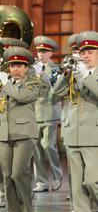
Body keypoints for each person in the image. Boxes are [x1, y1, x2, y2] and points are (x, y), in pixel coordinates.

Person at [0, 47, 44, 212]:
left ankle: (26, 210)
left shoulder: (33, 83)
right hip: (3, 133)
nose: (15, 69)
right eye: (12, 66)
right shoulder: (4, 82)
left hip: (24, 134)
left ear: (26, 67)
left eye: (19, 65)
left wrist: (6, 84)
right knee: (7, 175)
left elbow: (23, 97)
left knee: (19, 174)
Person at [53, 31, 98, 212]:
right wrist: (66, 75)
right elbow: (54, 96)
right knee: (77, 187)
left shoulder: (90, 74)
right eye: (83, 52)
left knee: (92, 181)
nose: (85, 56)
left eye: (89, 51)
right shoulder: (75, 72)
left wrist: (85, 76)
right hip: (73, 134)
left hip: (94, 135)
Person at [32, 36, 63, 193]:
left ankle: (57, 176)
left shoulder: (56, 69)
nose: (41, 54)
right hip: (35, 112)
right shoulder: (33, 68)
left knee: (48, 146)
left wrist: (42, 76)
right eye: (39, 51)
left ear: (51, 53)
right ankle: (42, 181)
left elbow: (55, 89)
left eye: (44, 51)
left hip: (50, 111)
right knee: (36, 148)